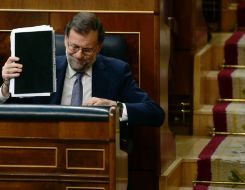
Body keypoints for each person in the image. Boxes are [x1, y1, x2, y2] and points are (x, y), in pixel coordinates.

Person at [0, 12, 164, 127]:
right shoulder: (43, 68)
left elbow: (155, 113)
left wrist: (115, 107)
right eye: (74, 47)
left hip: (98, 151)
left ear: (99, 47)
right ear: (65, 41)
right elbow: (10, 111)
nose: (79, 55)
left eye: (87, 50)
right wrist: (7, 86)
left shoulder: (117, 72)